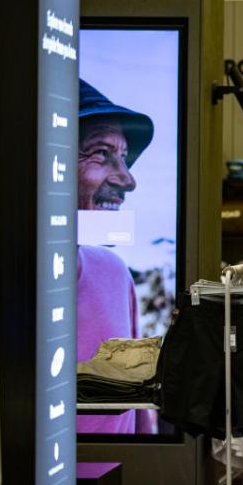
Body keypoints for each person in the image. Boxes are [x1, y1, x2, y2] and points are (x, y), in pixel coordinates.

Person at [76, 79, 154, 435]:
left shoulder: (112, 272)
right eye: (100, 153)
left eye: (122, 157)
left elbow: (139, 410)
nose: (127, 180)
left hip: (116, 484)